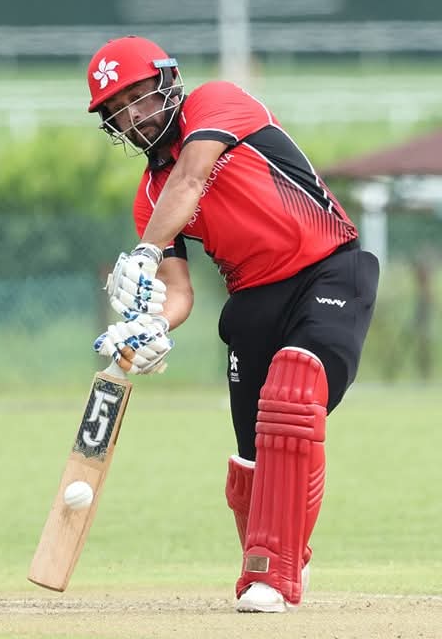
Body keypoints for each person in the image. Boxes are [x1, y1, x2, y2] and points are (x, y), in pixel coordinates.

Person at [87, 36, 379, 612]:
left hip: (329, 271)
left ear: (169, 83)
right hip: (252, 303)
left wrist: (144, 251)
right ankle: (283, 556)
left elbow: (192, 179)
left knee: (294, 389)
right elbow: (178, 292)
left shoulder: (218, 102)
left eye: (138, 97)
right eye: (117, 111)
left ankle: (273, 575)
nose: (133, 118)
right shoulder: (150, 198)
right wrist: (153, 328)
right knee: (254, 459)